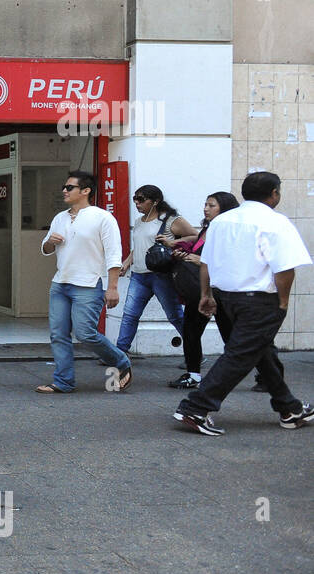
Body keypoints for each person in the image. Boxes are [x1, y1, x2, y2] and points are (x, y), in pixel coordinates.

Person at [173, 172, 313, 435]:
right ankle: (196, 407)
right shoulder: (275, 222)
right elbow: (284, 269)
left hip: (227, 297)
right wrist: (282, 302)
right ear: (274, 194)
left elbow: (206, 262)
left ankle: (289, 409)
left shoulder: (222, 221)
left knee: (260, 351)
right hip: (259, 300)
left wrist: (206, 294)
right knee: (240, 354)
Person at [35, 170, 132, 394]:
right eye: (64, 187)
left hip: (89, 284)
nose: (64, 191)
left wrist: (113, 288)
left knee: (85, 333)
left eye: (70, 187)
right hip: (60, 283)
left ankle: (121, 361)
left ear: (86, 191)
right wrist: (50, 241)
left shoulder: (102, 217)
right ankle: (63, 381)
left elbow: (113, 254)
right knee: (58, 334)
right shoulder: (60, 217)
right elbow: (46, 249)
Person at [167, 192, 239, 389]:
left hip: (221, 292)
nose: (206, 208)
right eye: (205, 204)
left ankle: (265, 374)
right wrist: (185, 255)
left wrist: (200, 261)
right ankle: (193, 375)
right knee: (190, 331)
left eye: (211, 205)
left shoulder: (230, 232)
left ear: (225, 208)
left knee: (232, 337)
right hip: (199, 291)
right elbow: (200, 256)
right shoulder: (206, 229)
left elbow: (231, 261)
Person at [115, 185, 195, 355]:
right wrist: (127, 263)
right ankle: (119, 352)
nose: (137, 203)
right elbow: (139, 247)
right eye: (135, 199)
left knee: (175, 316)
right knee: (130, 314)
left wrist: (172, 243)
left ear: (155, 201)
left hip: (161, 275)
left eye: (141, 200)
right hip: (138, 275)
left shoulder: (170, 220)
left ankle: (195, 353)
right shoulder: (138, 222)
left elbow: (195, 236)